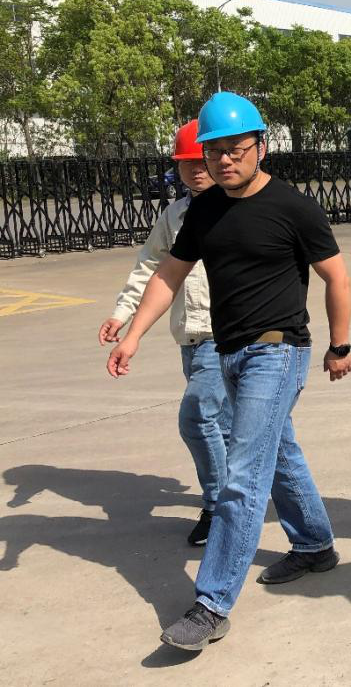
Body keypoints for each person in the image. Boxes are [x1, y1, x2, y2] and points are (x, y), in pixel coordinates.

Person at [105, 92, 351, 651]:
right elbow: (168, 275)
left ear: (261, 146)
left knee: (243, 475)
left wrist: (340, 345)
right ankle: (315, 546)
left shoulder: (294, 207)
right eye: (213, 151)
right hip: (229, 353)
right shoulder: (204, 210)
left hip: (278, 352)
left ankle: (212, 603)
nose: (223, 160)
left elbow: (336, 276)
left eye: (235, 148)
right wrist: (134, 334)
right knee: (278, 451)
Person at [98, 120, 229, 547]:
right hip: (190, 338)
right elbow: (150, 268)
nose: (197, 170)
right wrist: (123, 315)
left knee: (197, 417)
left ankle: (220, 507)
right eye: (187, 163)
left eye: (202, 161)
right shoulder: (174, 216)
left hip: (226, 335)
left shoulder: (238, 209)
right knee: (222, 426)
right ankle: (239, 498)